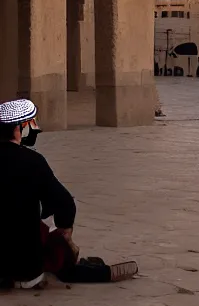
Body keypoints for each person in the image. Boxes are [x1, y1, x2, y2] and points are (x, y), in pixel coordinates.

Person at [0, 99, 138, 289]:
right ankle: (93, 271)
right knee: (51, 242)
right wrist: (65, 234)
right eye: (31, 124)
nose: (36, 129)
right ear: (19, 128)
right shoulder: (33, 161)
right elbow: (64, 204)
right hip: (26, 269)